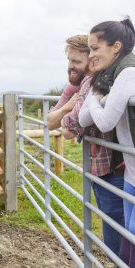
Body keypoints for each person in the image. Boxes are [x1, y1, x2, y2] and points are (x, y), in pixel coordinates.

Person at [47, 34, 125, 256]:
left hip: (115, 168)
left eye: (76, 62)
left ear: (91, 61)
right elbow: (51, 122)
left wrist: (69, 113)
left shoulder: (95, 83)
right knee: (113, 226)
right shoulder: (74, 88)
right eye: (69, 61)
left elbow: (69, 130)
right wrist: (68, 107)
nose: (70, 67)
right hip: (99, 167)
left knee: (117, 231)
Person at [79, 17, 135, 266]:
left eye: (95, 48)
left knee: (131, 238)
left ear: (116, 47)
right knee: (128, 239)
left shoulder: (128, 73)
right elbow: (82, 119)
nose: (91, 54)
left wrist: (93, 98)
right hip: (131, 174)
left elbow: (104, 122)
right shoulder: (110, 76)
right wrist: (96, 90)